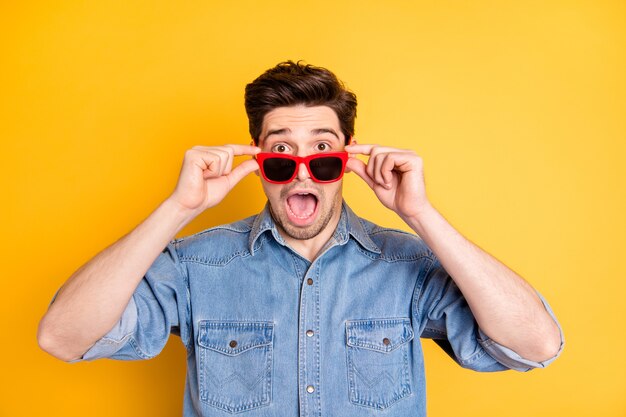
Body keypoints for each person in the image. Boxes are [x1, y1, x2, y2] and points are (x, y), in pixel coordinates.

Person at [38, 61, 564, 417]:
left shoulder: (409, 266)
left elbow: (536, 346)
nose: (303, 174)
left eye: (324, 153)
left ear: (349, 159)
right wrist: (180, 208)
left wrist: (420, 214)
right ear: (258, 161)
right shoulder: (196, 265)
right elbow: (62, 338)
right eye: (281, 154)